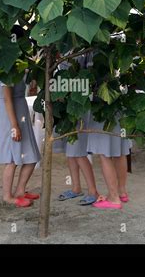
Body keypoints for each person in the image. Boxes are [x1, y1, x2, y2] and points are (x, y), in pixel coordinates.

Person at [0, 26, 40, 208]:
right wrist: (14, 125)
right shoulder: (4, 65)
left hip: (21, 110)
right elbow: (6, 99)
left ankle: (20, 190)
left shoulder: (18, 62)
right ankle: (7, 195)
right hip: (10, 113)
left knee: (31, 155)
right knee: (11, 158)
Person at [54, 54, 99, 206]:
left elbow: (91, 78)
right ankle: (76, 188)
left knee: (78, 152)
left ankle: (93, 191)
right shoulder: (62, 46)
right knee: (70, 152)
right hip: (66, 105)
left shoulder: (84, 50)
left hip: (80, 104)